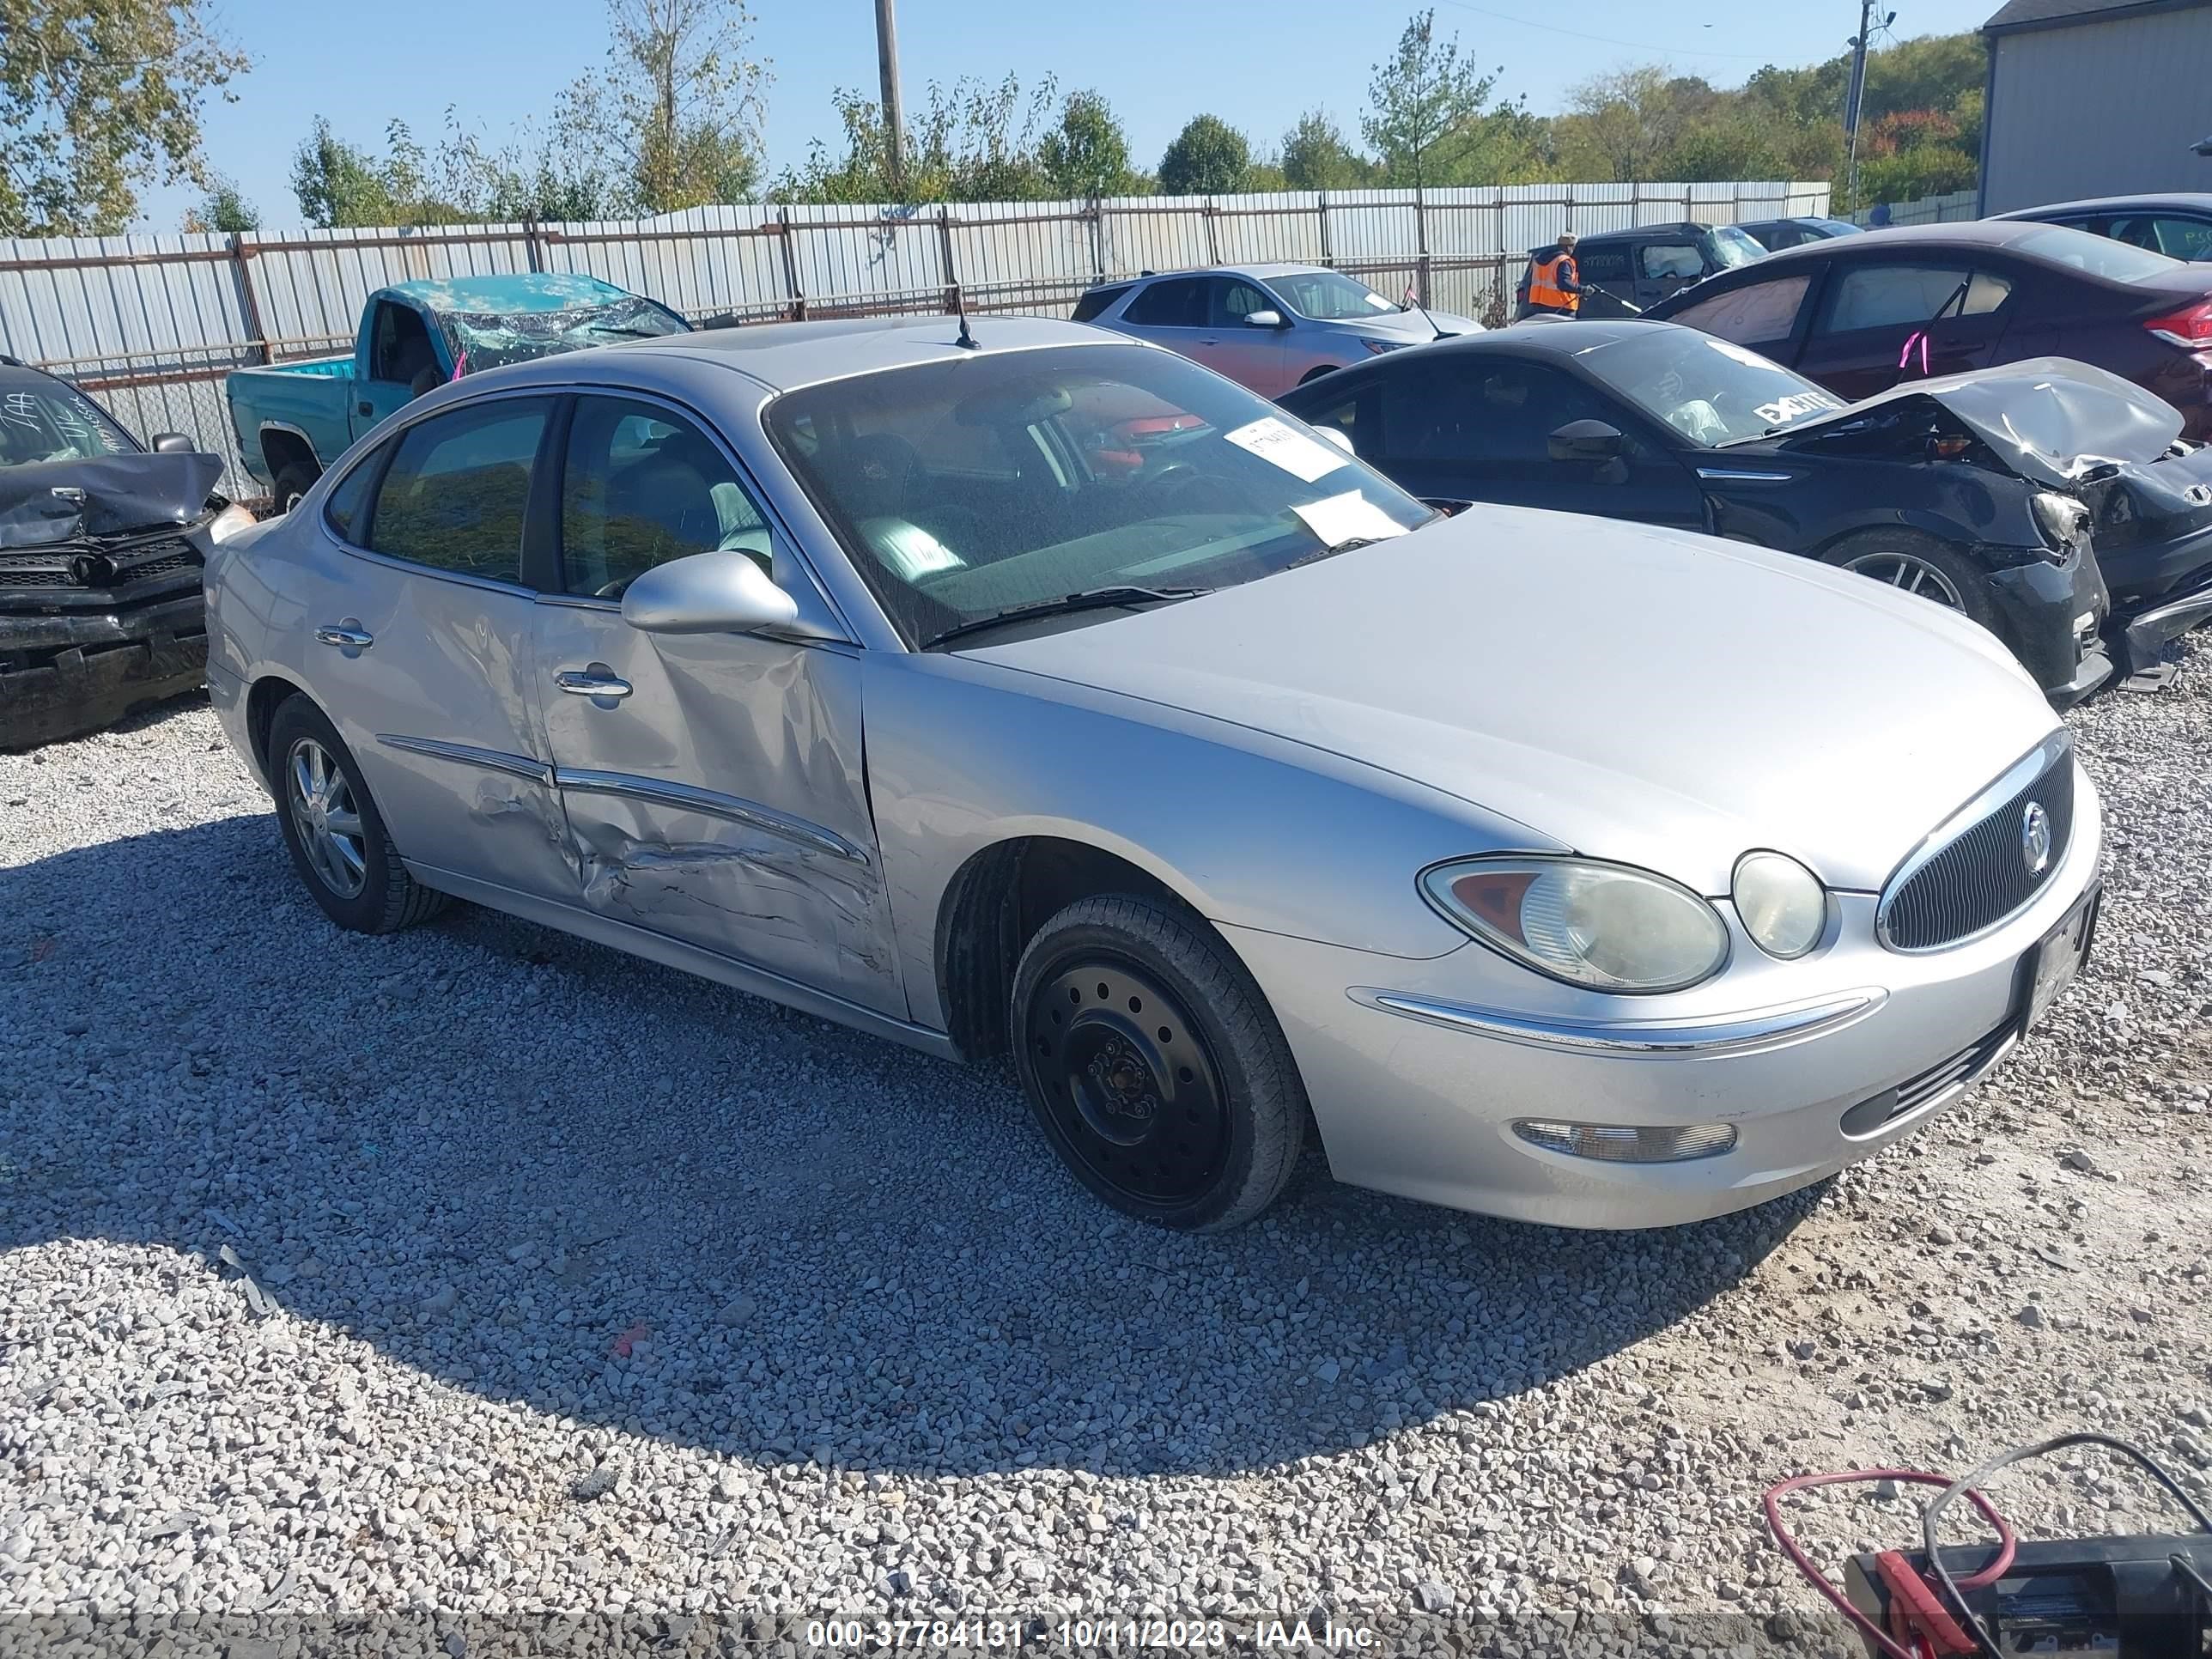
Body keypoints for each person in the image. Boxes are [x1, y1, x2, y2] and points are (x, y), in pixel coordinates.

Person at [1526, 232, 1583, 317]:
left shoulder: (1539, 259)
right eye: (1573, 247)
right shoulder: (1564, 261)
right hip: (1561, 307)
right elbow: (1564, 283)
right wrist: (1582, 289)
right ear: (1568, 247)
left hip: (1539, 305)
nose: (1573, 250)